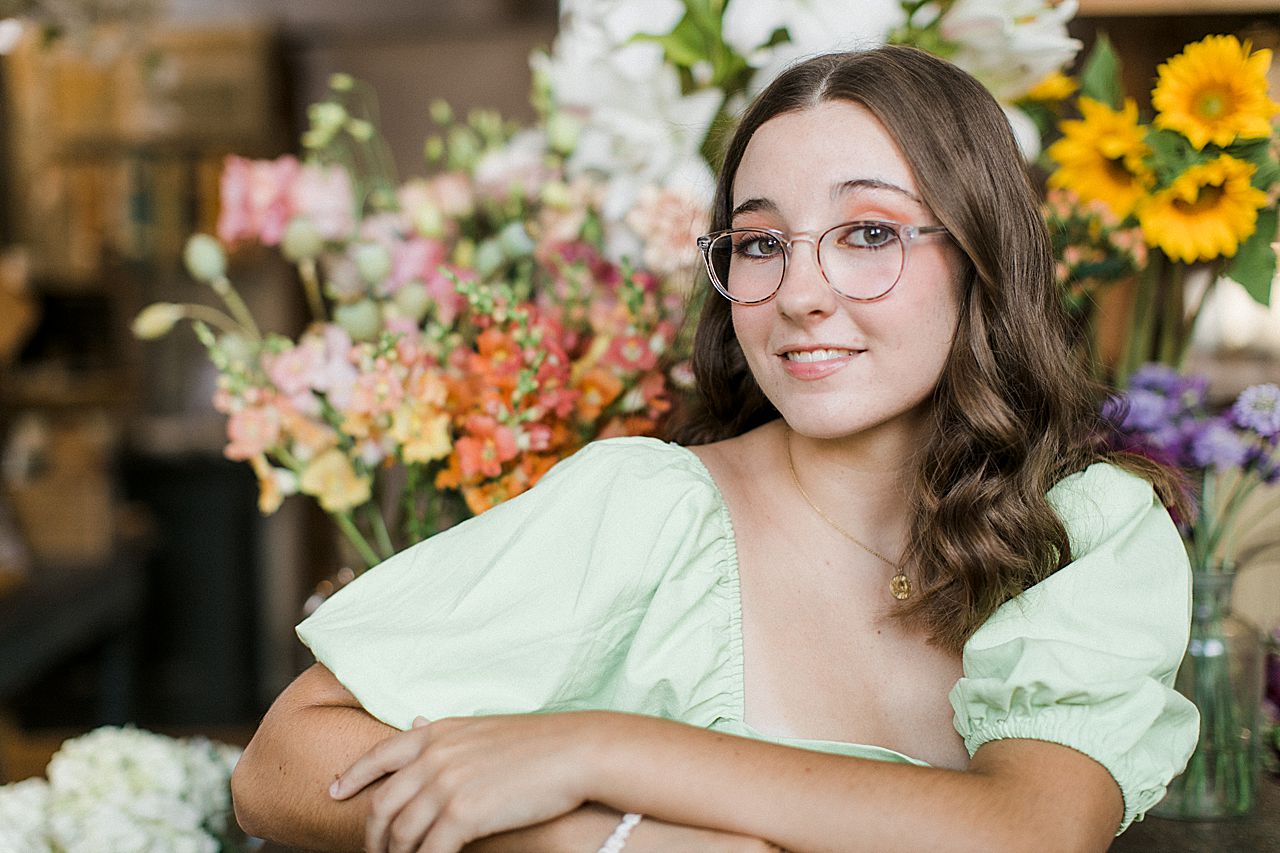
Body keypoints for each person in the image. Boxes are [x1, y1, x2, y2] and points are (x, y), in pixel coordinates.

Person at [231, 45, 1199, 853]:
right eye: (760, 243)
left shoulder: (1087, 527)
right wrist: (602, 838)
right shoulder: (642, 510)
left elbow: (1031, 830)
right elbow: (282, 764)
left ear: (982, 255)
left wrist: (596, 750)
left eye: (868, 232)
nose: (799, 294)